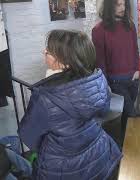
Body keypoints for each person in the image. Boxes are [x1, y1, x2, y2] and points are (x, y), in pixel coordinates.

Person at [18, 30, 122, 180]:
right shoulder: (97, 80)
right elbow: (103, 113)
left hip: (64, 169)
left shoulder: (45, 97)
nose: (44, 51)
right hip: (99, 157)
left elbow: (28, 136)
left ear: (65, 61)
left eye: (49, 50)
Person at [92, 0, 140, 139]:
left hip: (133, 78)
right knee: (131, 115)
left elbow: (135, 50)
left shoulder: (130, 26)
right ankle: (129, 149)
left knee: (126, 117)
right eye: (118, 5)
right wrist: (105, 84)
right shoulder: (99, 30)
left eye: (124, 4)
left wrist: (137, 70)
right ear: (109, 6)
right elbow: (100, 61)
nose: (122, 8)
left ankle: (127, 149)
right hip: (115, 81)